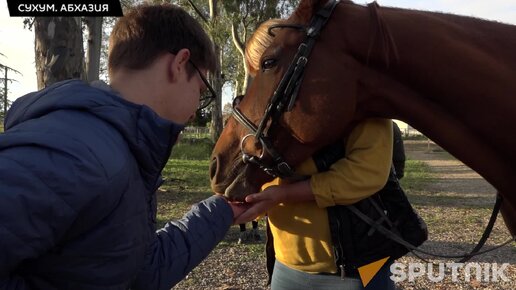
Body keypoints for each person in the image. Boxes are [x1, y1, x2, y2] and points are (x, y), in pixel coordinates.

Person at [0, 4, 251, 290]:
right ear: (180, 63)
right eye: (201, 89)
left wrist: (223, 212)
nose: (196, 108)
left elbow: (138, 270)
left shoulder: (124, 150)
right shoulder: (78, 153)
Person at [234, 19, 396, 290]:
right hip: (287, 264)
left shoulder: (363, 101)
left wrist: (285, 194)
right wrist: (254, 197)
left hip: (360, 266)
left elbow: (369, 172)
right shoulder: (273, 118)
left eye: (268, 70)